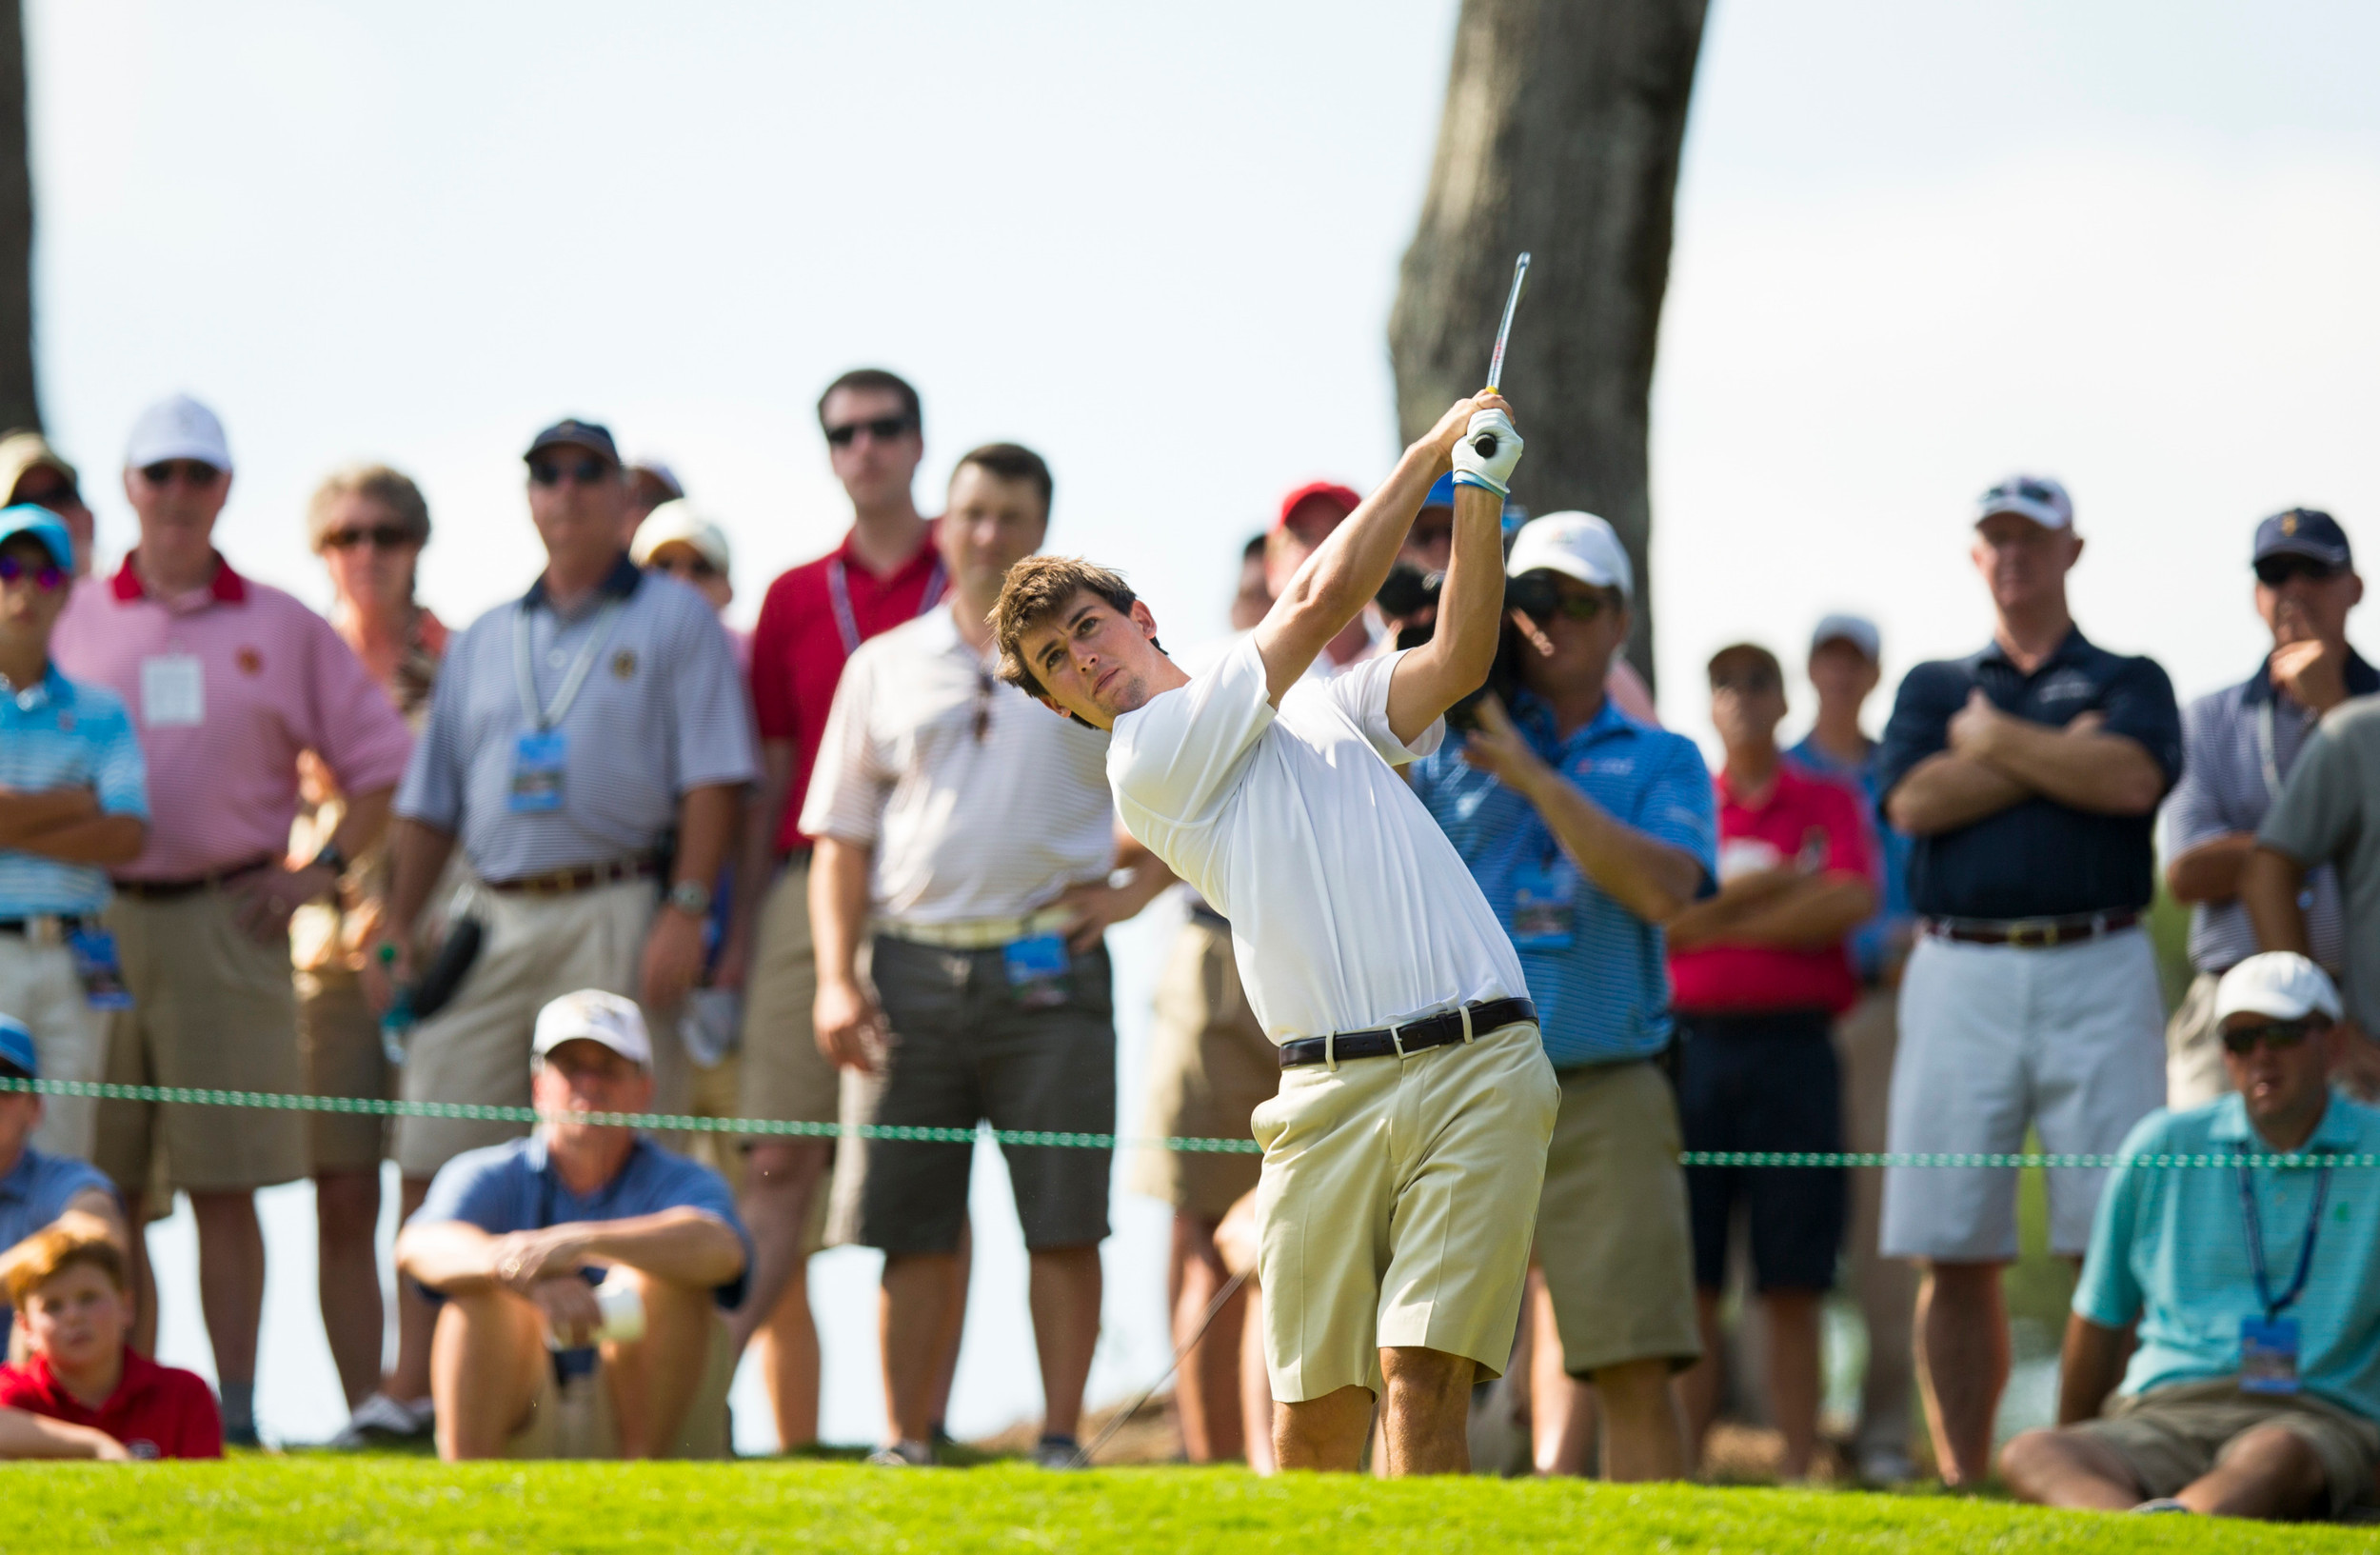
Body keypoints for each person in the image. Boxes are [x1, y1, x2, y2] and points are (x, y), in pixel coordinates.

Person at [994, 391, 1559, 1477]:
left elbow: (1458, 660)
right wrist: (1428, 455)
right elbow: (1315, 595)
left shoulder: (1299, 696)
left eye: (1085, 629)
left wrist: (1479, 492)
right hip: (1324, 1097)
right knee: (1315, 1418)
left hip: (1482, 1060)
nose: (1083, 660)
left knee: (1423, 1377)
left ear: (1137, 615)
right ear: (1064, 707)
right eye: (1057, 664)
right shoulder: (1146, 758)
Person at [51, 393, 412, 1444]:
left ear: (224, 488)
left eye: (195, 475)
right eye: (158, 473)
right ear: (129, 486)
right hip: (94, 925)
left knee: (226, 1186)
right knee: (106, 1188)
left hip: (231, 919)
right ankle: (125, 1412)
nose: (176, 494)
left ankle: (238, 1414)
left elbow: (384, 766)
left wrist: (320, 873)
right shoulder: (72, 613)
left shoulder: (280, 625)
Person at [806, 442, 1171, 1468]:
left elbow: (1182, 775)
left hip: (1047, 966)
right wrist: (835, 977)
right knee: (908, 1219)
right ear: (943, 524)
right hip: (907, 968)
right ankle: (903, 1439)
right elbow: (840, 837)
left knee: (1062, 1215)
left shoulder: (1087, 659)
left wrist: (1135, 886)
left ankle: (1060, 1437)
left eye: (1011, 517)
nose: (987, 534)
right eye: (971, 513)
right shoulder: (882, 664)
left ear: (1038, 533)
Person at [376, 418, 757, 1344]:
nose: (568, 489)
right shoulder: (485, 637)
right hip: (491, 914)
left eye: (590, 472)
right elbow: (429, 807)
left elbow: (716, 778)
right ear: (530, 496)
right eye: (548, 473)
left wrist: (687, 909)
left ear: (624, 498)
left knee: (623, 1147)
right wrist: (391, 931)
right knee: (433, 1141)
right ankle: (415, 1385)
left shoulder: (674, 616)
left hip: (621, 901)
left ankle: (619, 1379)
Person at [1874, 473, 2179, 1486]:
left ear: (2069, 551)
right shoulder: (1928, 685)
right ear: (1976, 555)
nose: (2012, 555)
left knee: (2111, 1237)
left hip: (2100, 961)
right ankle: (1965, 1482)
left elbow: (2132, 780)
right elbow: (1914, 803)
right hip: (1960, 965)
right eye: (1994, 538)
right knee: (1950, 1240)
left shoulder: (2130, 676)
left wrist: (1995, 742)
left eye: (2030, 538)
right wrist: (2060, 754)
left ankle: (2090, 1462)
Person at [1409, 511, 1713, 1482]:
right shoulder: (1449, 745)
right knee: (1425, 1363)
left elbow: (1665, 888)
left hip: (1606, 1085)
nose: (1549, 622)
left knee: (1630, 1362)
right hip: (1458, 1089)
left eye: (1576, 600)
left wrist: (1535, 779)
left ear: (1620, 617)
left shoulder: (1663, 759)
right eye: (1530, 599)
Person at [731, 368, 952, 1452]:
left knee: (929, 1162)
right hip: (799, 891)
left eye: (883, 428)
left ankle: (917, 1426)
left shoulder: (976, 574)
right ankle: (708, 1402)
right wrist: (732, 935)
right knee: (778, 1159)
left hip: (929, 898)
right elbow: (772, 779)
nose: (863, 448)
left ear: (918, 441)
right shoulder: (788, 596)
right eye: (843, 433)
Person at [1124, 480, 1360, 1469]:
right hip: (1217, 954)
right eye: (1296, 536)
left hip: (1340, 966)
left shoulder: (1388, 661)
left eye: (1331, 537)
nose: (1311, 552)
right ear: (1266, 558)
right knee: (1200, 1217)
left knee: (1317, 1224)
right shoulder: (1216, 667)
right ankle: (1215, 1468)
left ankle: (1295, 1465)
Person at [1999, 952, 2380, 1521]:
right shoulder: (2163, 1146)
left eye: (2283, 1032)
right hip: (2166, 1412)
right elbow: (2099, 1316)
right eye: (2240, 1038)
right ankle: (2154, 1531)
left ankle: (2160, 1533)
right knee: (2036, 1451)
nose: (2260, 1054)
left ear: (2335, 1045)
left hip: (2317, 1416)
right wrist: (2082, 1436)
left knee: (2274, 1454)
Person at [1665, 642, 1874, 1482]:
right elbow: (1662, 927)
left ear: (1784, 702)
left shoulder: (1826, 797)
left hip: (1796, 1051)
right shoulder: (1685, 801)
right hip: (1693, 1050)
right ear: (1709, 703)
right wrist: (1783, 887)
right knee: (1695, 1273)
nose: (1742, 696)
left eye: (1758, 681)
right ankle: (1681, 1461)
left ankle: (1797, 1463)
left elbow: (1852, 900)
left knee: (1794, 1270)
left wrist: (1718, 912)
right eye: (1726, 682)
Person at [394, 990, 751, 1462]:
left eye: (608, 1067)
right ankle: (470, 1498)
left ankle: (643, 1490)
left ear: (644, 1090)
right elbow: (419, 1244)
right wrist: (522, 1274)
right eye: (570, 1067)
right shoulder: (486, 1172)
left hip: (645, 1426)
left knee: (659, 1281)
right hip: (529, 1412)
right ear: (539, 1087)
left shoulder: (683, 1179)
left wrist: (578, 1243)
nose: (589, 1083)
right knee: (483, 1300)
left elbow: (722, 1249)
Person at [289, 465, 452, 1445]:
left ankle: (422, 1389)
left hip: (440, 950)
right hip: (321, 957)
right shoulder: (291, 659)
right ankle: (366, 1416)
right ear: (323, 553)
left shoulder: (465, 658)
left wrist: (395, 921)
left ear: (417, 544)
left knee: (430, 1181)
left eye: (386, 534)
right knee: (342, 1192)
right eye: (346, 536)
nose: (368, 554)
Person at [2166, 510, 2372, 1108]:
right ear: (2257, 594)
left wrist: (2335, 707)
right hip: (2231, 1001)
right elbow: (2187, 872)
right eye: (2276, 575)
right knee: (2206, 1185)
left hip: (2364, 1009)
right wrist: (2307, 841)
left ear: (2354, 588)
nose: (2295, 590)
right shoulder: (2205, 718)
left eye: (2314, 570)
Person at [1784, 610, 1920, 1484]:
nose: (1840, 673)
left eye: (1854, 661)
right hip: (1789, 1017)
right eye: (1827, 658)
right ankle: (1779, 1425)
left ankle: (1881, 1435)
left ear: (1872, 674)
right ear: (1812, 670)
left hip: (1881, 1012)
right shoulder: (1778, 773)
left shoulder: (1896, 774)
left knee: (1884, 1229)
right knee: (1781, 1224)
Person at [0, 507, 148, 1160]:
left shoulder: (100, 710)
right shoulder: (101, 722)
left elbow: (126, 836)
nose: (24, 587)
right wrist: (75, 804)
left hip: (77, 957)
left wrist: (13, 820)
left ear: (67, 589)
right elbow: (104, 821)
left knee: (64, 1160)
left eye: (43, 572)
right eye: (7, 568)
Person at [628, 499, 748, 1193]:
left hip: (735, 981)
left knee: (759, 1210)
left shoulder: (749, 667)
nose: (679, 579)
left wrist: (733, 949)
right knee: (647, 1194)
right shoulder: (605, 676)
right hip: (637, 967)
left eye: (698, 566)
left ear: (727, 586)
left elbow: (756, 821)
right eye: (661, 564)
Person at [0, 1220, 219, 1460]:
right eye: (53, 1306)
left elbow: (205, 1491)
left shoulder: (183, 1393)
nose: (73, 1316)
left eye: (88, 1298)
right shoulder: (12, 1391)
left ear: (126, 1306)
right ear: (27, 1328)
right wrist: (94, 1445)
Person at [0, 1017, 129, 1337]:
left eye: (6, 1082)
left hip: (26, 1383)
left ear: (36, 1108)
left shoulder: (58, 1178)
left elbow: (96, 1232)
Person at [0, 432, 96, 577]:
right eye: (21, 503)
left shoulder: (135, 594)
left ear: (89, 520)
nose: (46, 514)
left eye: (58, 496)